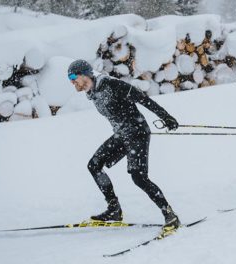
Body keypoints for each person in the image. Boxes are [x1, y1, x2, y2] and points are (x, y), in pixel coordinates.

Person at [67, 59, 180, 230]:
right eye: (70, 78)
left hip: (138, 133)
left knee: (138, 177)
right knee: (94, 165)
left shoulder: (112, 85)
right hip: (122, 135)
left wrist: (166, 117)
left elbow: (143, 99)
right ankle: (114, 210)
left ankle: (170, 215)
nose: (72, 81)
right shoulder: (93, 93)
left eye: (74, 77)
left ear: (85, 74)